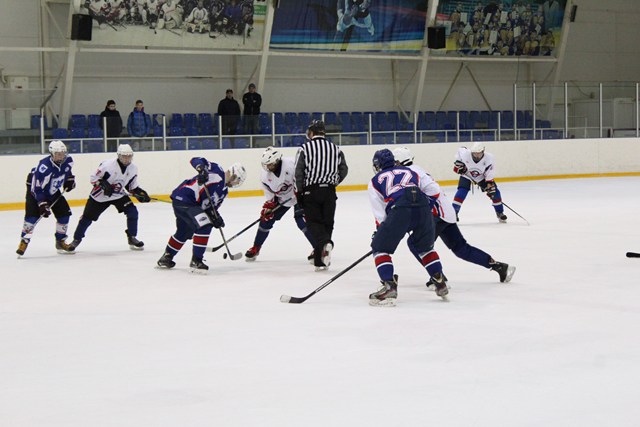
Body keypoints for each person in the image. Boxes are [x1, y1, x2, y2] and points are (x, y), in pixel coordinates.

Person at [393, 146, 516, 284]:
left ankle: (437, 276)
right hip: (446, 212)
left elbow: (421, 197)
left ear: (399, 162)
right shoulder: (416, 169)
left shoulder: (407, 174)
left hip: (437, 214)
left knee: (416, 244)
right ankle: (499, 267)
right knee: (460, 248)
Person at [368, 149, 448, 307]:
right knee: (425, 248)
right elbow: (434, 190)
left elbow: (380, 215)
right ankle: (439, 280)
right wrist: (422, 207)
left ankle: (389, 287)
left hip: (399, 209)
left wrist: (382, 233)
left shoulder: (375, 180)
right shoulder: (412, 172)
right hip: (423, 207)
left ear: (377, 165)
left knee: (379, 248)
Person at [157, 158, 247, 274]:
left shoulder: (224, 192)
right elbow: (196, 160)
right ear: (234, 175)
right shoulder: (217, 170)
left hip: (191, 204)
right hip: (184, 198)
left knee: (184, 232)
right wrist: (202, 170)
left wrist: (216, 217)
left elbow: (210, 208)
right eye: (237, 181)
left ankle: (166, 257)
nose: (236, 184)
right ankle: (196, 260)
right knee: (204, 225)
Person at [65, 144, 151, 252]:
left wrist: (140, 193)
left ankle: (132, 237)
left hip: (118, 195)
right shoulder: (108, 165)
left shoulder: (133, 168)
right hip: (100, 196)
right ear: (119, 156)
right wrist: (103, 184)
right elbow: (93, 178)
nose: (127, 159)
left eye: (129, 156)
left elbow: (131, 186)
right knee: (87, 218)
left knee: (132, 212)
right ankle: (76, 240)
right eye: (124, 156)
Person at [294, 120, 348, 271]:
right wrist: (333, 182)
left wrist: (299, 192)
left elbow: (298, 173)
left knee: (313, 223)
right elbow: (343, 170)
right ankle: (320, 260)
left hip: (311, 191)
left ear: (311, 132)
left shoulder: (304, 148)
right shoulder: (336, 149)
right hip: (329, 192)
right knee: (327, 224)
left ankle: (325, 244)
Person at [245, 147, 315, 261]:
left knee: (301, 221)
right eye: (266, 165)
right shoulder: (265, 176)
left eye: (270, 164)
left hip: (299, 196)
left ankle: (317, 247)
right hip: (282, 199)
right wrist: (269, 206)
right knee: (265, 220)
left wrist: (303, 191)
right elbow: (269, 194)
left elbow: (306, 177)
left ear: (277, 161)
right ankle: (256, 247)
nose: (267, 167)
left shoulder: (292, 164)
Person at [16, 140, 76, 256]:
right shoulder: (44, 167)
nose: (61, 156)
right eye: (58, 154)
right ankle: (24, 241)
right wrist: (42, 204)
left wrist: (69, 180)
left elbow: (67, 172)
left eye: (63, 153)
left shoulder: (68, 161)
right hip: (36, 191)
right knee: (32, 218)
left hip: (53, 190)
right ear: (52, 154)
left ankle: (60, 241)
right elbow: (36, 188)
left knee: (64, 214)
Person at [452, 141, 507, 222]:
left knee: (495, 193)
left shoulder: (489, 158)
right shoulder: (465, 154)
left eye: (479, 153)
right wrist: (459, 162)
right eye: (474, 153)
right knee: (462, 191)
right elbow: (460, 149)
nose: (476, 155)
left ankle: (500, 213)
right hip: (467, 175)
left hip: (481, 177)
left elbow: (490, 171)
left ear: (483, 151)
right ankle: (453, 214)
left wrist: (489, 183)